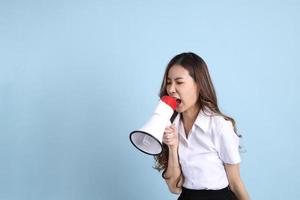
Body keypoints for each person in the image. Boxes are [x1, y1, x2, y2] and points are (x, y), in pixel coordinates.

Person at [154, 52, 250, 200]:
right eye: (168, 82)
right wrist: (173, 147)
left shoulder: (219, 126)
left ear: (198, 85)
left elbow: (235, 183)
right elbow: (174, 188)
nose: (171, 89)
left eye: (179, 82)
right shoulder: (170, 126)